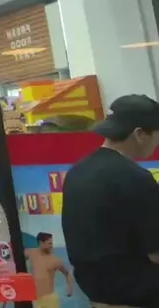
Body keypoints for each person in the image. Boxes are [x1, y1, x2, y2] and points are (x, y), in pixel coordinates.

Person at [62, 94, 159, 308]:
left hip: (95, 292)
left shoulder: (77, 171)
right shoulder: (135, 178)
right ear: (140, 134)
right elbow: (155, 252)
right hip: (137, 294)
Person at [25, 232, 74, 308]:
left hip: (50, 298)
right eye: (49, 243)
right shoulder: (31, 253)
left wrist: (70, 287)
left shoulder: (55, 260)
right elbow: (14, 259)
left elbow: (67, 273)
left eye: (52, 243)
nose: (51, 246)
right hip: (35, 298)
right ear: (41, 243)